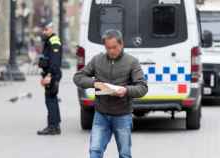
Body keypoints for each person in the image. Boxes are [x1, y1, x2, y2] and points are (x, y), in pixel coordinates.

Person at [73, 29, 148, 158]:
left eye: (114, 47)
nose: (111, 51)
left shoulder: (131, 62)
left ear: (121, 44)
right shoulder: (97, 60)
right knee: (95, 151)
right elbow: (78, 77)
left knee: (124, 154)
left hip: (123, 116)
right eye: (108, 48)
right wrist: (94, 83)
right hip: (101, 115)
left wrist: (126, 90)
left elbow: (142, 88)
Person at [37, 21, 62, 135]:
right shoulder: (48, 41)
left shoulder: (54, 41)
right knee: (52, 99)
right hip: (49, 73)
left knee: (50, 100)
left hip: (52, 74)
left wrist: (49, 75)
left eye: (46, 29)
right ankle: (55, 125)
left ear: (51, 29)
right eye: (43, 29)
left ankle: (52, 126)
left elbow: (55, 61)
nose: (44, 32)